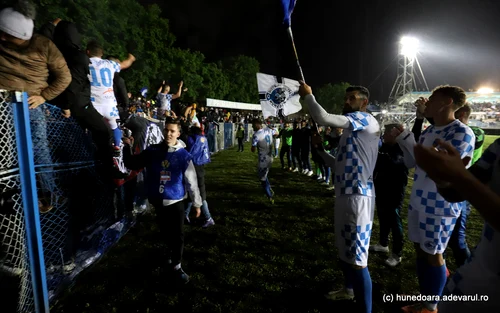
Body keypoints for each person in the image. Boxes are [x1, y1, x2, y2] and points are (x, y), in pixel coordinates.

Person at [392, 86, 475, 313]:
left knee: (434, 253)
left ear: (447, 102)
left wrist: (408, 139)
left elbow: (440, 170)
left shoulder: (461, 133)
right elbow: (413, 163)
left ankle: (432, 306)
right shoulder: (430, 131)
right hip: (419, 200)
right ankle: (426, 298)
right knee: (421, 250)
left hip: (439, 204)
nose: (426, 101)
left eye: (432, 98)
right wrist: (403, 141)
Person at [300, 82, 380, 313]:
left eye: (352, 98)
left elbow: (323, 118)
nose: (347, 102)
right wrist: (321, 151)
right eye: (346, 98)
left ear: (363, 102)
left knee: (357, 258)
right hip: (346, 194)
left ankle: (365, 309)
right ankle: (349, 290)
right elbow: (338, 166)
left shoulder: (365, 119)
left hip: (358, 197)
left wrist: (309, 96)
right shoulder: (352, 133)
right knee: (345, 250)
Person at [413, 138, 500, 313]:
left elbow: (465, 182)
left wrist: (461, 176)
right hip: (479, 270)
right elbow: (455, 192)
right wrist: (442, 178)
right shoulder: (498, 147)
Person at [0, 1, 72, 213]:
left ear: (21, 35)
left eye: (7, 35)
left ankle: (46, 196)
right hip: (3, 102)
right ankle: (13, 196)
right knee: (8, 152)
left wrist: (43, 96)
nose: (2, 37)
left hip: (31, 105)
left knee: (38, 150)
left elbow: (65, 76)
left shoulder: (44, 45)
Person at [122, 118, 201, 284]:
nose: (168, 133)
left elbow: (192, 181)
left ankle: (177, 266)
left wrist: (197, 203)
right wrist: (126, 147)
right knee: (165, 233)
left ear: (178, 134)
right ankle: (168, 259)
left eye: (172, 131)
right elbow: (133, 163)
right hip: (158, 202)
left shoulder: (184, 156)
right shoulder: (153, 150)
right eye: (166, 130)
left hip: (176, 202)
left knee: (177, 235)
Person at [369, 122, 408, 267]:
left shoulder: (402, 148)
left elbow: (396, 163)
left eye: (386, 133)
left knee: (394, 219)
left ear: (396, 134)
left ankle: (397, 254)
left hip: (395, 189)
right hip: (381, 187)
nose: (383, 135)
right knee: (382, 215)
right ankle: (383, 244)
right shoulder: (385, 146)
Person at [86, 41, 136, 151]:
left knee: (91, 129)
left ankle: (90, 148)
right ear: (101, 54)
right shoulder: (109, 64)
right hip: (109, 105)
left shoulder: (85, 63)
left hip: (94, 105)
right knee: (115, 127)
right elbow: (125, 64)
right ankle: (117, 146)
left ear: (88, 52)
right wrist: (131, 58)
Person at [185, 126, 215, 228]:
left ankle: (208, 217)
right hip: (201, 166)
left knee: (199, 193)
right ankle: (185, 214)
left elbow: (190, 149)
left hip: (194, 166)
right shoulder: (204, 138)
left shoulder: (192, 139)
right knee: (192, 191)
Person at [251, 119, 278, 204]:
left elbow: (253, 149)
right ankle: (269, 188)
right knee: (263, 175)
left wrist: (254, 145)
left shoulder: (256, 135)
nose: (252, 127)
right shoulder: (268, 130)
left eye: (253, 125)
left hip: (263, 160)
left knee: (262, 179)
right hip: (270, 157)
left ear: (257, 125)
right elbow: (277, 133)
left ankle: (270, 196)